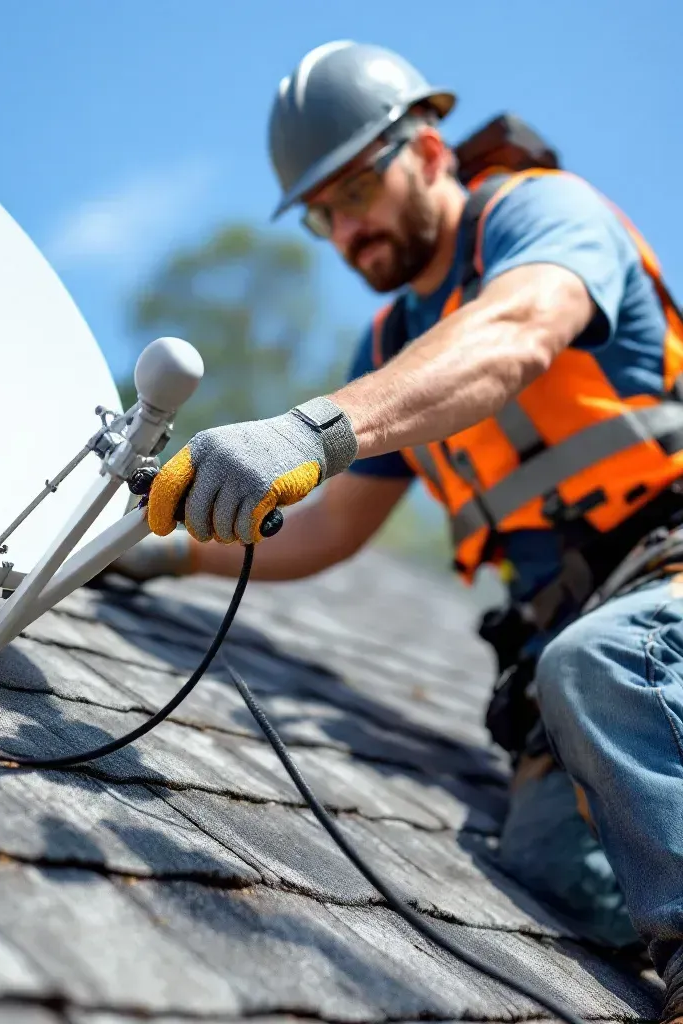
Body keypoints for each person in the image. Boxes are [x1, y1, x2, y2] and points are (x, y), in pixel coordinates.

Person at [110, 40, 683, 1020]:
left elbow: (518, 328)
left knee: (603, 665)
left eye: (354, 192)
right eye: (322, 215)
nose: (343, 230)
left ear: (425, 152)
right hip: (584, 641)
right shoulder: (391, 344)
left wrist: (315, 427)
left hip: (658, 586)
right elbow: (328, 527)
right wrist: (163, 549)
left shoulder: (539, 214)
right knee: (550, 866)